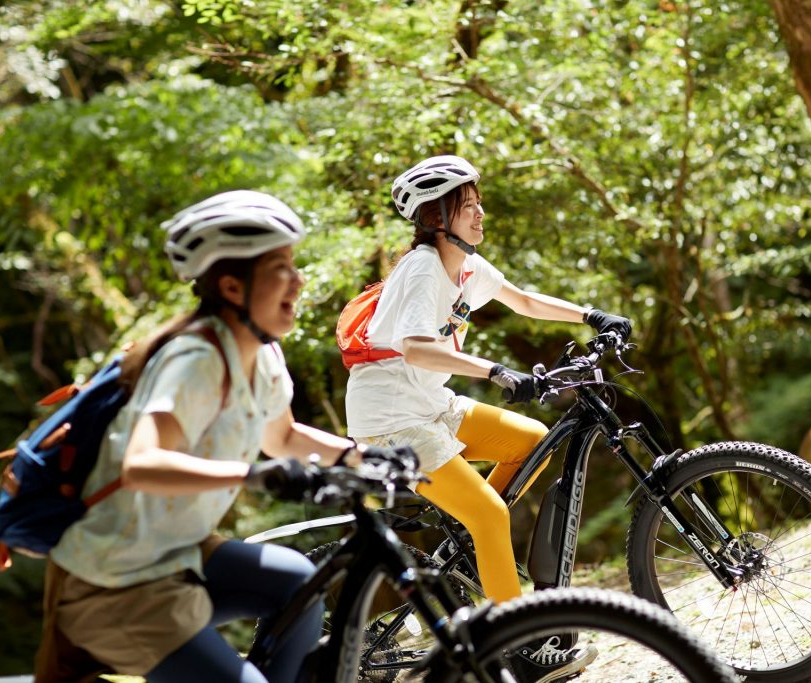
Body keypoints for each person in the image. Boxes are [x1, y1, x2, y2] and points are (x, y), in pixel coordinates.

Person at [35, 190, 413, 683]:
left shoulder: (264, 355)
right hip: (115, 583)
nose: (298, 280)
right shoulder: (194, 359)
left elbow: (281, 436)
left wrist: (363, 457)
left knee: (298, 581)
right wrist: (259, 476)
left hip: (180, 552)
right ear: (233, 287)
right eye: (281, 268)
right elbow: (142, 462)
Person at [343, 156, 632, 683]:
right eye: (467, 206)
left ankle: (471, 539)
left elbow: (521, 300)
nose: (480, 213)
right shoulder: (422, 269)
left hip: (430, 404)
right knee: (491, 517)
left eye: (478, 203)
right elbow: (415, 348)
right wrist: (497, 370)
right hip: (390, 418)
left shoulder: (468, 265)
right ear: (436, 217)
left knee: (532, 442)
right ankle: (518, 650)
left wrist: (590, 316)